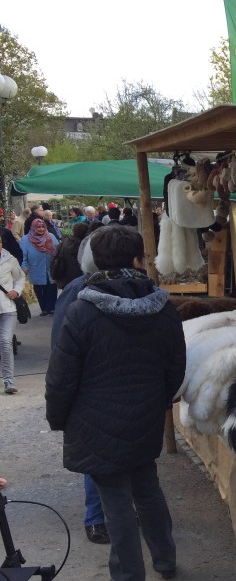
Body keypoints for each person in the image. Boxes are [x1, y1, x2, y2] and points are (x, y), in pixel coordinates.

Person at [46, 225, 185, 581]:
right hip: (145, 415)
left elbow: (60, 378)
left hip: (95, 421)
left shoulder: (81, 311)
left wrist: (58, 419)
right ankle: (165, 559)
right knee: (147, 486)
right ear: (139, 259)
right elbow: (176, 366)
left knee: (116, 499)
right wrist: (158, 401)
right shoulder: (163, 308)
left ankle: (127, 580)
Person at [50, 229, 108, 544]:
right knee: (97, 457)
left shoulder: (131, 288)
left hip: (112, 387)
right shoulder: (79, 291)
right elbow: (62, 350)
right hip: (90, 389)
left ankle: (109, 514)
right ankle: (96, 518)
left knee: (114, 455)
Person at [0, 240, 26, 395]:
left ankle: (8, 380)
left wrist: (16, 291)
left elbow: (20, 278)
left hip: (7, 308)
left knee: (5, 341)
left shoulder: (9, 259)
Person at [19, 218, 58, 316]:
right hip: (35, 268)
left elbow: (58, 250)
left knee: (52, 288)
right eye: (38, 227)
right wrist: (24, 267)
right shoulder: (26, 239)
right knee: (40, 290)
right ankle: (44, 309)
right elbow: (22, 256)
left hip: (50, 267)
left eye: (42, 227)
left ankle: (52, 308)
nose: (41, 229)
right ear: (33, 228)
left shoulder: (51, 236)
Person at [50, 222, 88, 290]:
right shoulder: (84, 246)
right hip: (80, 280)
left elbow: (54, 258)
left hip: (64, 279)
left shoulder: (63, 243)